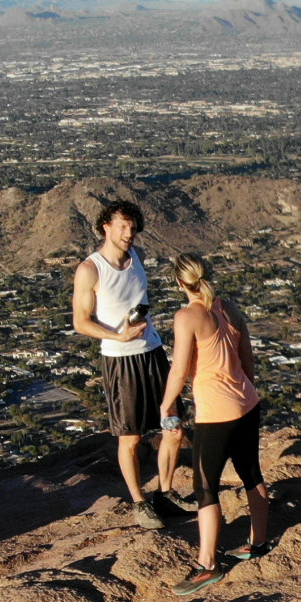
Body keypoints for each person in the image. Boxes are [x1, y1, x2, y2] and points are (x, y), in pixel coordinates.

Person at [70, 200, 184, 529]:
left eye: (132, 227)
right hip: (121, 360)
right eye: (122, 226)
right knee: (130, 437)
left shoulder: (137, 257)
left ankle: (166, 493)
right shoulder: (90, 269)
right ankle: (139, 502)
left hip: (152, 350)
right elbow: (80, 321)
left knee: (173, 428)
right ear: (105, 226)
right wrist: (117, 337)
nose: (128, 233)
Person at [160, 253, 269, 597]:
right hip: (246, 403)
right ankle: (258, 542)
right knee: (252, 474)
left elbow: (179, 370)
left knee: (206, 488)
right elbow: (247, 356)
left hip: (215, 413)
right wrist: (245, 393)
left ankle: (208, 565)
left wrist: (166, 405)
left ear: (179, 283)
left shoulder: (187, 316)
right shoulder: (229, 308)